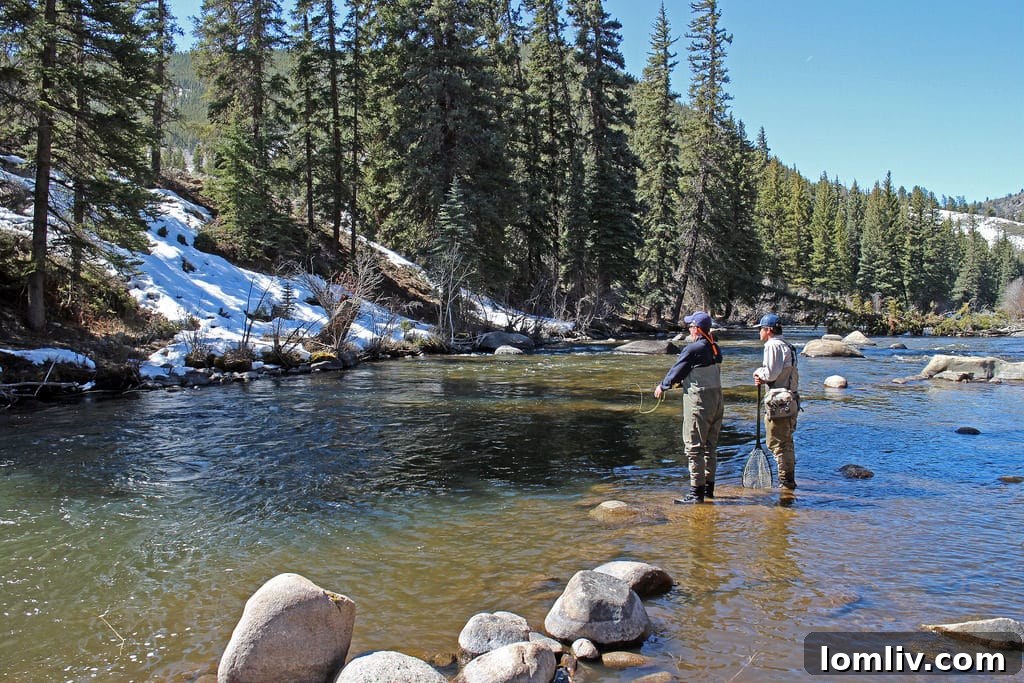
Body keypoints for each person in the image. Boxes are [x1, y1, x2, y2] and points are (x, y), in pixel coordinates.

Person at [654, 311, 724, 504]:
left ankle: (696, 494)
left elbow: (677, 371)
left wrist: (662, 386)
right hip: (717, 402)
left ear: (697, 329)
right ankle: (709, 490)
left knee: (694, 448)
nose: (688, 330)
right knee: (710, 448)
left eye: (690, 327)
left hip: (700, 403)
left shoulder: (693, 349)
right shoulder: (715, 348)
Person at [752, 313, 800, 489]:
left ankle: (785, 484)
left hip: (779, 404)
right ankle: (788, 482)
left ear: (769, 330)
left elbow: (771, 373)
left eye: (761, 329)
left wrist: (759, 374)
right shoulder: (788, 345)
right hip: (791, 401)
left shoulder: (772, 345)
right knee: (786, 442)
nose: (760, 333)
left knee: (777, 444)